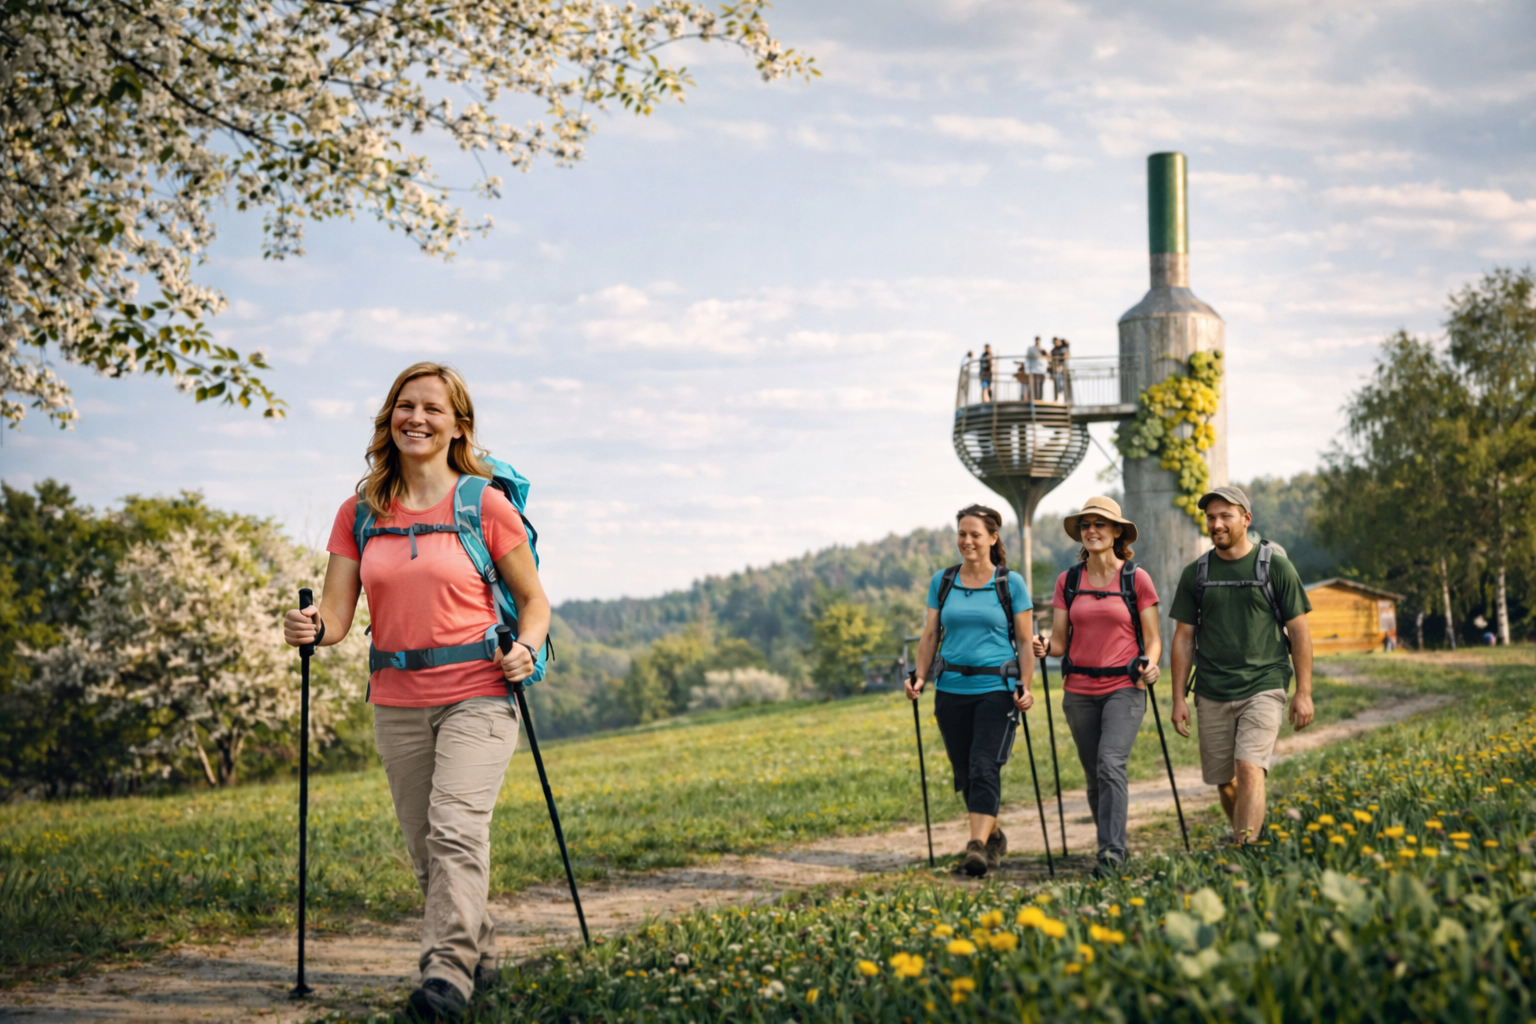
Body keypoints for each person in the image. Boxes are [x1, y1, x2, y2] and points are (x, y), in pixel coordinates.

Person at [283, 362, 550, 1023]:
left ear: (458, 425)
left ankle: (445, 980)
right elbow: (338, 618)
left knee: (456, 831)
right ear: (389, 417)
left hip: (479, 692)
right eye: (406, 405)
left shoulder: (483, 505)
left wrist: (525, 646)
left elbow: (533, 602)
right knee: (429, 849)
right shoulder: (359, 513)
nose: (417, 418)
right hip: (396, 701)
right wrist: (312, 627)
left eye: (433, 408)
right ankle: (481, 957)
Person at [1169, 486, 1313, 846]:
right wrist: (1178, 698)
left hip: (1264, 683)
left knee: (1249, 767)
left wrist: (1304, 692)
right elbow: (1183, 639)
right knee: (1224, 780)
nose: (1216, 524)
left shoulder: (1276, 567)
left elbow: (1299, 631)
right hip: (1211, 690)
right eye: (1211, 518)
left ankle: (1243, 850)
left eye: (1225, 516)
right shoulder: (1195, 574)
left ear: (1246, 519)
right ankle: (1250, 836)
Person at [1032, 496, 1161, 871]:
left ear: (1117, 531)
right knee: (1094, 775)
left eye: (1100, 524)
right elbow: (1060, 642)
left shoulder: (1136, 578)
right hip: (1078, 692)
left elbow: (1153, 639)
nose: (1091, 530)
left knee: (1110, 764)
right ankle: (1110, 843)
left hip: (1124, 687)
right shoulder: (1068, 581)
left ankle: (1112, 854)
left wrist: (1150, 664)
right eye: (1085, 525)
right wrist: (1045, 646)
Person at [907, 504, 1034, 877]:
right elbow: (931, 634)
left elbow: (1025, 641)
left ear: (993, 538)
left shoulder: (1010, 583)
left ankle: (976, 846)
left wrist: (1025, 685)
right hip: (950, 689)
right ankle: (993, 836)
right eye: (962, 534)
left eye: (975, 534)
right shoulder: (943, 580)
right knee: (965, 770)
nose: (967, 541)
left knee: (983, 764)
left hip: (997, 688)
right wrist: (919, 677)